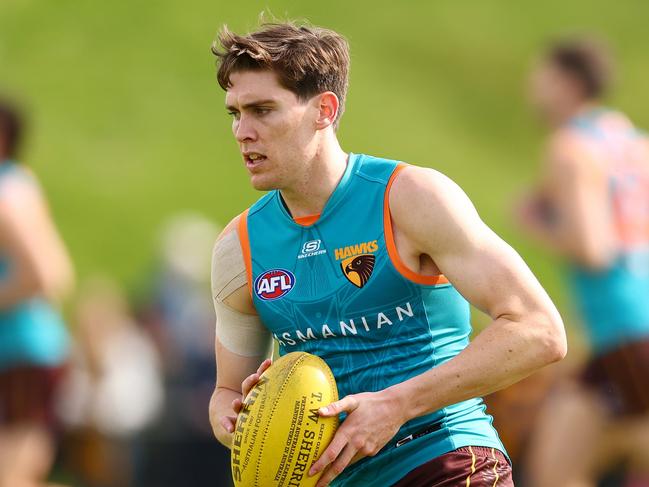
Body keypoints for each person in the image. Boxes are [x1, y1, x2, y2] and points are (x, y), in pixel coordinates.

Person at [208, 22, 566, 487]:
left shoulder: (408, 199)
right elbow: (225, 393)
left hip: (442, 460)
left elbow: (540, 331)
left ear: (324, 110)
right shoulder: (238, 248)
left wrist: (398, 404)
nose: (242, 131)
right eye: (235, 113)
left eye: (263, 110)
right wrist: (238, 420)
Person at [518, 39, 649, 487]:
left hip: (629, 330)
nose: (532, 86)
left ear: (567, 83)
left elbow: (595, 250)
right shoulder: (631, 140)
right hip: (618, 330)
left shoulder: (569, 146)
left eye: (542, 76)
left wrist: (537, 222)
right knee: (556, 468)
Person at [0, 100, 75, 486]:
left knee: (13, 467)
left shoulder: (5, 193)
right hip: (31, 349)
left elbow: (44, 274)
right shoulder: (17, 181)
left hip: (20, 351)